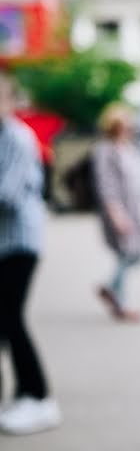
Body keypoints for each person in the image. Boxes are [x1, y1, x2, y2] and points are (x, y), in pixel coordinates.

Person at [0, 73, 61, 435]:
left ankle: (39, 397)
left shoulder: (18, 138)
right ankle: (26, 393)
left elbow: (6, 195)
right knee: (5, 321)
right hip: (5, 243)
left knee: (11, 318)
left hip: (21, 241)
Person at [93, 103, 140, 322]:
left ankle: (110, 287)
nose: (128, 128)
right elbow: (106, 185)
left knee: (135, 254)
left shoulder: (128, 147)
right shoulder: (105, 150)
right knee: (127, 253)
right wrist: (116, 213)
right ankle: (120, 302)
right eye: (123, 125)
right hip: (118, 209)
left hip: (132, 208)